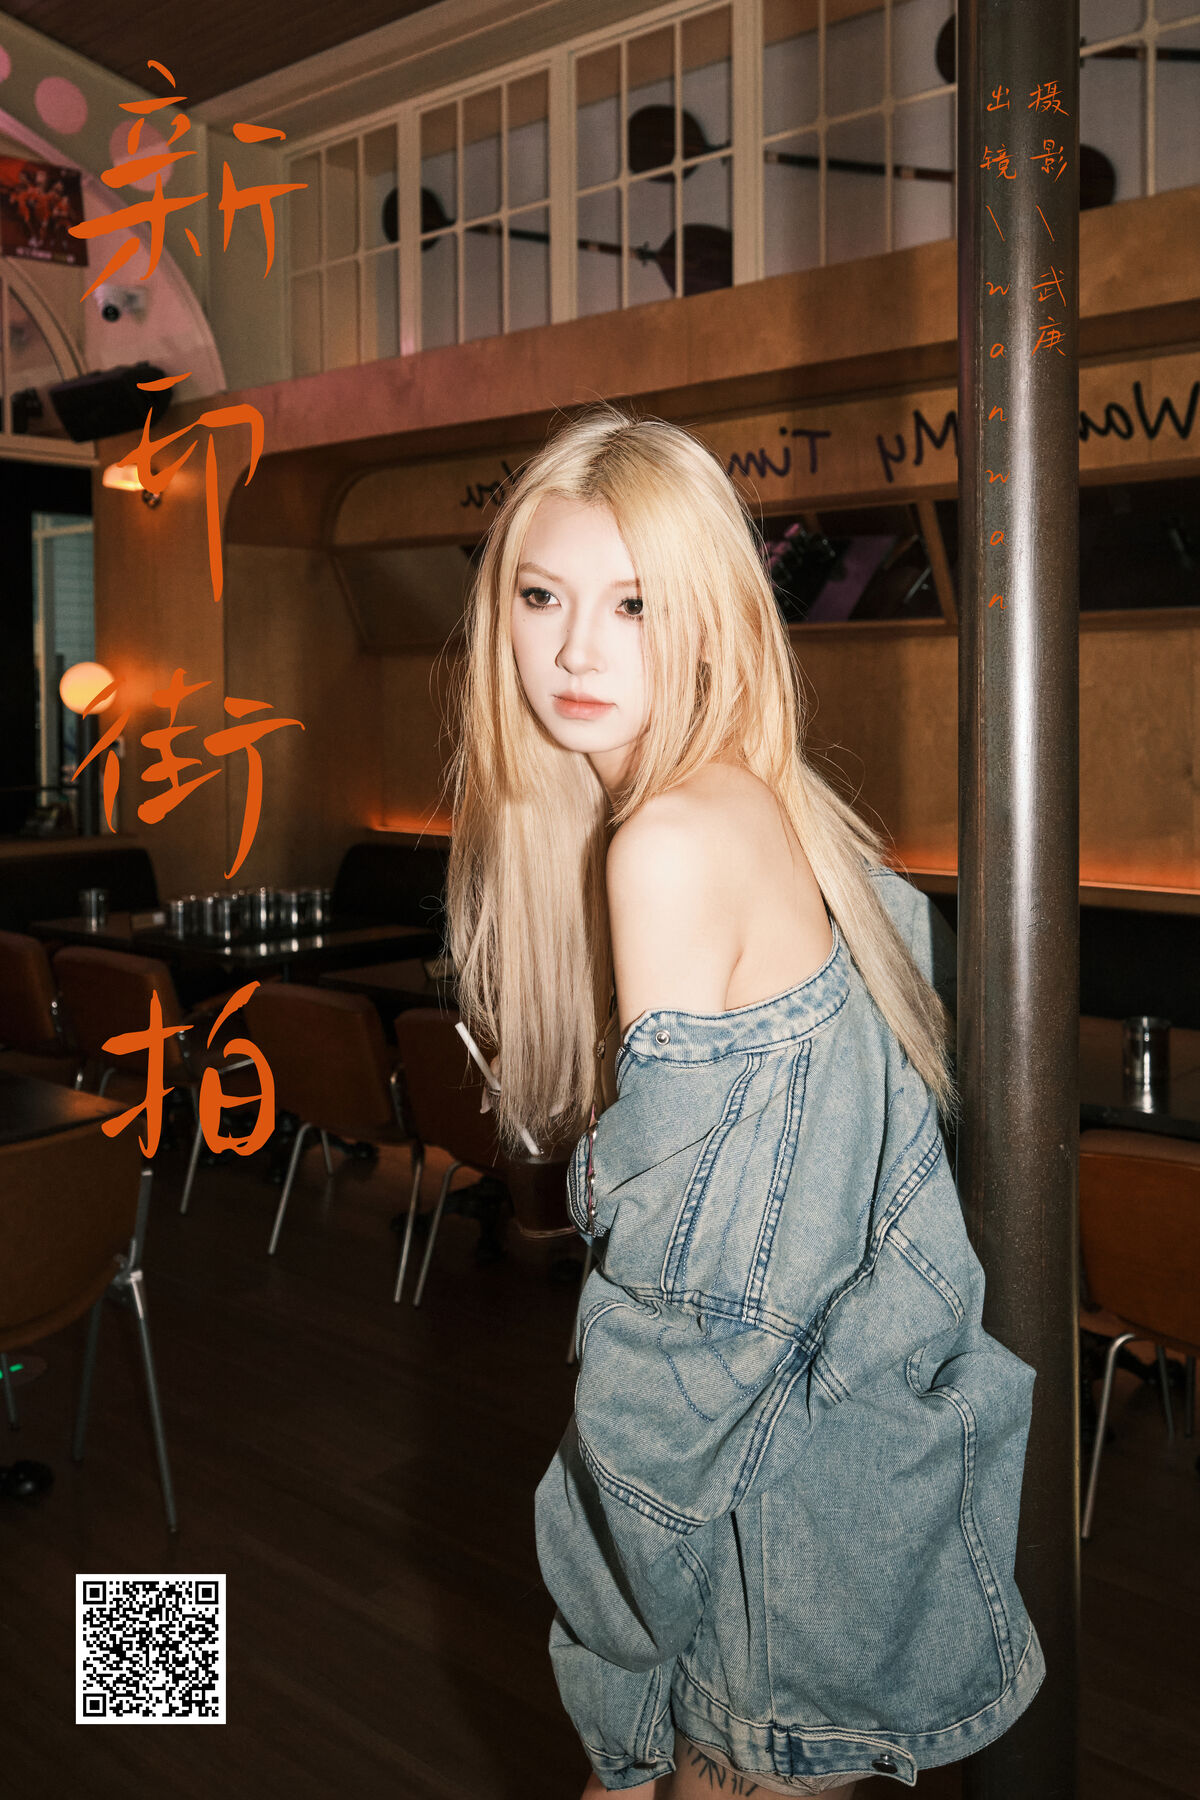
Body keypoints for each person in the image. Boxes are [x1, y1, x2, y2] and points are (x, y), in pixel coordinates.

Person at [443, 407, 1044, 1796]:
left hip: (764, 1557)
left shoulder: (664, 842)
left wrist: (612, 1674)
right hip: (844, 1506)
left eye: (634, 604)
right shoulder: (763, 802)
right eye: (541, 596)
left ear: (709, 615)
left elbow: (687, 1334)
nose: (576, 651)